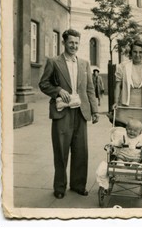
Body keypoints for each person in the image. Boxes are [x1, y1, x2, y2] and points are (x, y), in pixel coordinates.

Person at [39, 29, 99, 199]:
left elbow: (89, 89)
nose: (74, 46)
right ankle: (59, 187)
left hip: (81, 112)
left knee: (81, 151)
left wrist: (94, 110)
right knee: (61, 150)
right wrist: (58, 90)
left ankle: (78, 185)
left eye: (77, 43)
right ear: (64, 42)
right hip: (62, 113)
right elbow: (43, 84)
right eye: (71, 42)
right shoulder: (54, 62)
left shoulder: (84, 63)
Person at [96, 118, 142, 194]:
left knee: (135, 164)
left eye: (135, 131)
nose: (132, 132)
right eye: (129, 129)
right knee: (119, 161)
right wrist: (111, 144)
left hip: (135, 158)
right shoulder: (123, 137)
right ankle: (120, 168)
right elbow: (117, 143)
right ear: (126, 129)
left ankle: (132, 167)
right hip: (123, 155)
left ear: (140, 132)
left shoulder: (141, 139)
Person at [113, 40, 142, 113]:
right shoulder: (122, 66)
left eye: (141, 52)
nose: (137, 55)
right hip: (125, 106)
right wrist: (115, 102)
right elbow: (118, 86)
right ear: (131, 52)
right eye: (135, 52)